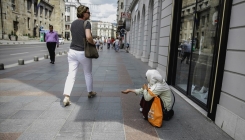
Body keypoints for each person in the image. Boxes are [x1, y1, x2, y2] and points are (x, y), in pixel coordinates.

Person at [63, 5, 97, 106]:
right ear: (83, 13)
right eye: (88, 12)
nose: (89, 14)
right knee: (88, 73)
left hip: (72, 52)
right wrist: (93, 42)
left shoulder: (72, 23)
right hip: (83, 52)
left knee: (71, 75)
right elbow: (88, 37)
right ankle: (90, 92)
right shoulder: (86, 23)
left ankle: (66, 97)